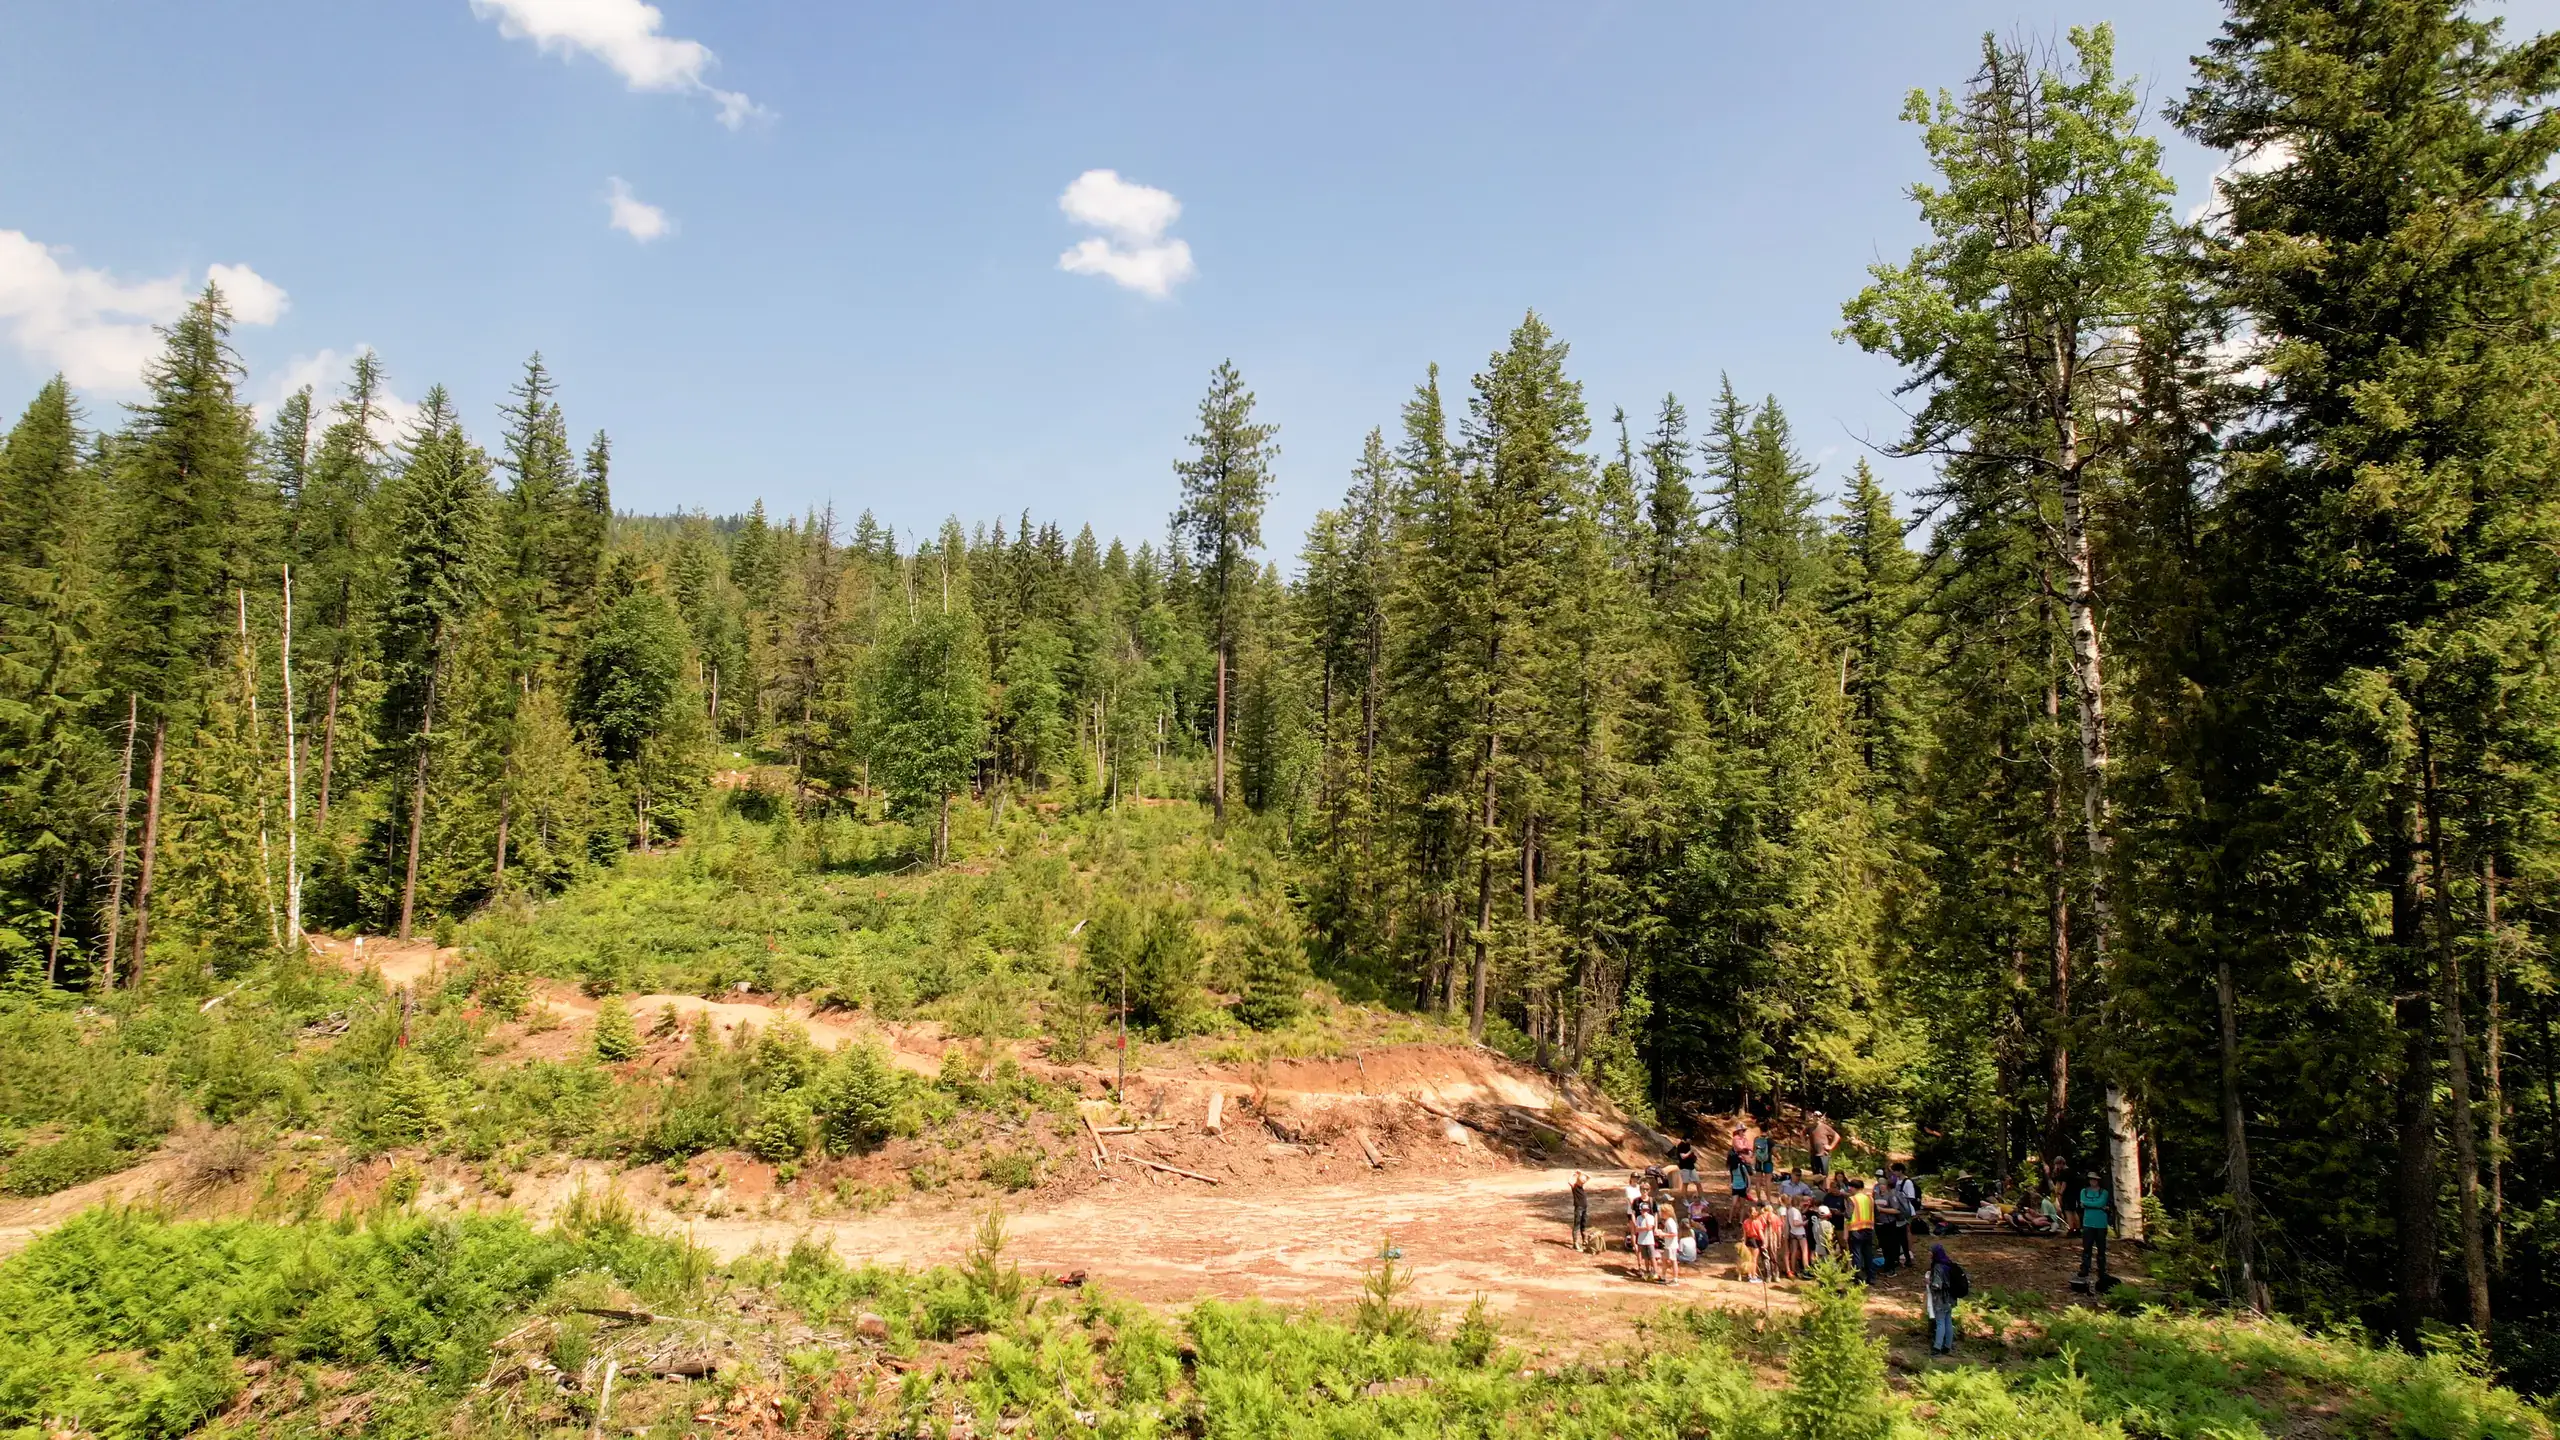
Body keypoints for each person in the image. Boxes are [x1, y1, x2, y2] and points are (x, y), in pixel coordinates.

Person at [2073, 1171, 2115, 1291]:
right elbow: (2082, 1204)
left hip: (2101, 1224)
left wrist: (2088, 1204)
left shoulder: (2104, 1192)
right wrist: (2093, 1205)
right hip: (2087, 1223)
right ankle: (2085, 1268)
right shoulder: (2084, 1191)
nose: (2093, 1181)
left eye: (2095, 1179)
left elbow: (2100, 1203)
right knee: (2087, 1248)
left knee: (2101, 1249)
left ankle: (2102, 1270)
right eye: (2091, 1179)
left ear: (2098, 1181)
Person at [1875, 1164, 1913, 1273]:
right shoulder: (1879, 1195)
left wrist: (1881, 1210)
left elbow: (1898, 1209)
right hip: (1889, 1222)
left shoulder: (1893, 1194)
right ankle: (1896, 1260)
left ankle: (1894, 1263)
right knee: (1895, 1241)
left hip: (1896, 1221)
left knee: (1896, 1241)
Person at [1925, 1243, 1961, 1354]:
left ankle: (1937, 1347)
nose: (1929, 1253)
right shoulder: (1948, 1264)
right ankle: (1947, 1346)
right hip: (1951, 1299)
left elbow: (1937, 1285)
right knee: (1948, 1322)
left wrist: (1928, 1282)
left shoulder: (1937, 1267)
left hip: (1941, 1300)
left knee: (1940, 1322)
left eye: (1930, 1251)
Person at [1845, 1178, 1877, 1284]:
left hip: (1856, 1230)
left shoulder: (1852, 1199)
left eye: (1851, 1187)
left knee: (1856, 1254)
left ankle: (1858, 1278)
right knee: (1868, 1254)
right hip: (1869, 1229)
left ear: (1853, 1188)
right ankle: (1871, 1277)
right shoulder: (1870, 1199)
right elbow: (1876, 1212)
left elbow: (1848, 1215)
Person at [1632, 1199, 1659, 1281]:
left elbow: (1649, 1227)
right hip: (1641, 1240)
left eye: (1646, 1210)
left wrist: (1642, 1228)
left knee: (1652, 1257)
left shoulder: (1650, 1217)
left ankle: (1655, 1272)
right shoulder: (1638, 1218)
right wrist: (1643, 1228)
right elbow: (1636, 1229)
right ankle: (1647, 1271)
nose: (1644, 1212)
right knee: (1646, 1257)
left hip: (1649, 1240)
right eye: (1643, 1210)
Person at [1810, 1111, 1839, 1176]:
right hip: (1813, 1154)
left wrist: (1831, 1146)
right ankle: (1816, 1186)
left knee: (1824, 1175)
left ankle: (1824, 1186)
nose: (1817, 1118)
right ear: (1813, 1117)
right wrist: (1806, 1145)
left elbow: (1837, 1136)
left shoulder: (1825, 1127)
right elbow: (1802, 1134)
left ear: (1820, 1118)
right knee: (1815, 1174)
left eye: (1819, 1117)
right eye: (1816, 1116)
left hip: (1823, 1154)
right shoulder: (1810, 1127)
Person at [1570, 1170, 1590, 1251]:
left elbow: (1589, 1177)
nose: (1583, 1183)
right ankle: (1575, 1243)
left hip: (1584, 1208)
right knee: (1577, 1224)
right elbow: (1569, 1181)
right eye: (1582, 1181)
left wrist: (1581, 1172)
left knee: (1583, 1223)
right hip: (1579, 1208)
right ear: (1578, 1181)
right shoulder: (1574, 1187)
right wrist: (1573, 1174)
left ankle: (1584, 1240)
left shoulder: (1581, 1186)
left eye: (1583, 1182)